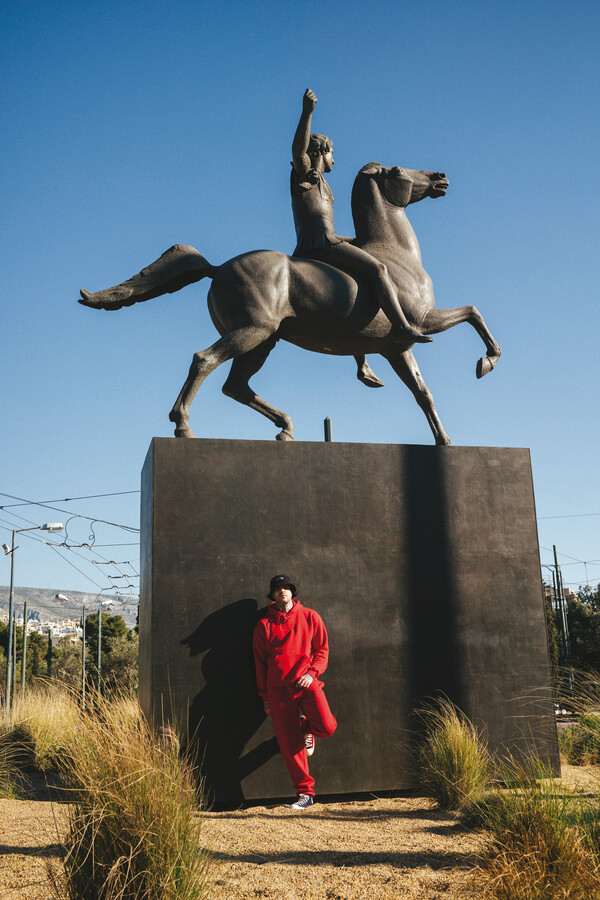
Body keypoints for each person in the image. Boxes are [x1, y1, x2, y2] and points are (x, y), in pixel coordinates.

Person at [290, 88, 432, 346]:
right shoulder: (306, 175)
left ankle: (361, 362)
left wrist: (358, 241)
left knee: (355, 284)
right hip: (317, 246)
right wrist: (307, 114)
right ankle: (401, 326)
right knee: (377, 268)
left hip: (326, 242)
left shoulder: (322, 183)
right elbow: (299, 152)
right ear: (321, 152)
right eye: (332, 152)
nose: (335, 158)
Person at [252, 574, 337, 810]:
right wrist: (265, 697)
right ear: (272, 594)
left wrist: (312, 673)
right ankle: (305, 794)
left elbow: (322, 649)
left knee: (328, 727)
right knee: (290, 743)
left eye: (287, 587)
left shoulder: (310, 616)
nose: (283, 591)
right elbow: (260, 662)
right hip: (277, 689)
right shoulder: (263, 625)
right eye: (278, 588)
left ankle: (307, 728)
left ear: (292, 591)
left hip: (306, 683)